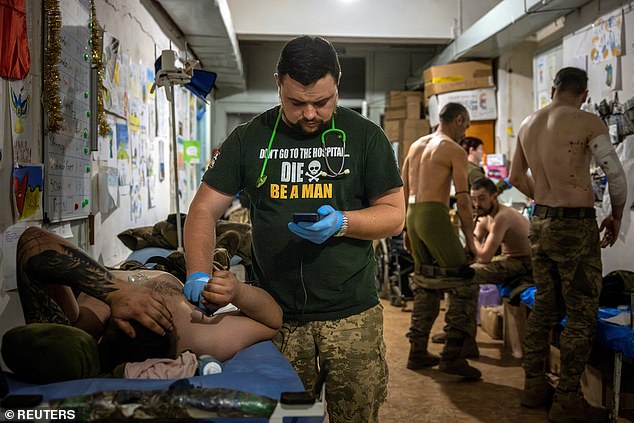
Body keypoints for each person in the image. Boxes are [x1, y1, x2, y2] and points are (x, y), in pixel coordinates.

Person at [183, 36, 404, 422]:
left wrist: (344, 222)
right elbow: (203, 209)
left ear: (338, 82)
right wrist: (198, 271)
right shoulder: (248, 139)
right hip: (275, 316)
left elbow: (394, 214)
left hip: (351, 314)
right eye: (296, 102)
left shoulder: (366, 137)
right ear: (277, 84)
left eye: (322, 102)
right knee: (283, 417)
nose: (310, 115)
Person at [509, 67, 627, 423]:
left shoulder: (529, 123)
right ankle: (566, 400)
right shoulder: (588, 121)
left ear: (555, 87)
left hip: (541, 223)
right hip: (575, 226)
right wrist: (616, 215)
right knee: (580, 313)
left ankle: (532, 388)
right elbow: (616, 177)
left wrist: (544, 203)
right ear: (586, 92)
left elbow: (516, 176)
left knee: (544, 306)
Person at [12, 227, 282, 377]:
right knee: (212, 271)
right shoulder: (194, 336)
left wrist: (113, 290)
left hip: (117, 270)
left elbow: (33, 241)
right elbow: (272, 320)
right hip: (179, 279)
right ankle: (222, 249)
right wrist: (237, 292)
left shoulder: (85, 326)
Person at [401, 102, 481, 379]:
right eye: (467, 125)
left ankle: (417, 350)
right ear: (459, 120)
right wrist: (471, 241)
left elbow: (403, 189)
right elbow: (462, 198)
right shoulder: (453, 149)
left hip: (412, 214)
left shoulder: (416, 145)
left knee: (425, 281)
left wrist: (406, 231)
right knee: (465, 281)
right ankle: (453, 356)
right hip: (434, 215)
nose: (466, 131)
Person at [470, 177, 532, 284]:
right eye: (474, 199)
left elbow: (484, 257)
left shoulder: (502, 217)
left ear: (494, 197)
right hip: (507, 258)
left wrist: (470, 234)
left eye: (482, 198)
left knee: (469, 273)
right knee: (462, 268)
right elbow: (472, 248)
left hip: (524, 261)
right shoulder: (485, 215)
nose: (477, 204)